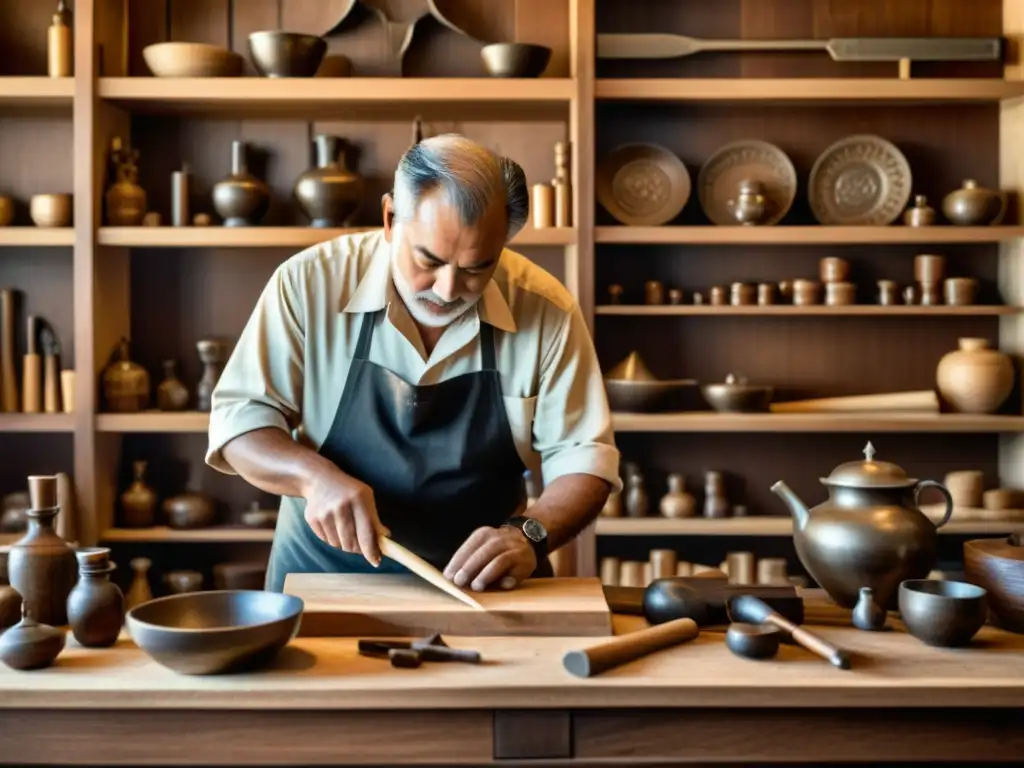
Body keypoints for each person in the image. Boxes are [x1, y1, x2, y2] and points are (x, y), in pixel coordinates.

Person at [204, 133, 621, 593]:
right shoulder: (308, 284)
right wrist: (313, 477)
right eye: (429, 260)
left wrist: (530, 534)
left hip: (482, 587)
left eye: (476, 267)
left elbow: (584, 459)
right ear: (389, 218)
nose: (446, 290)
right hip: (324, 580)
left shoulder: (545, 308)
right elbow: (240, 423)